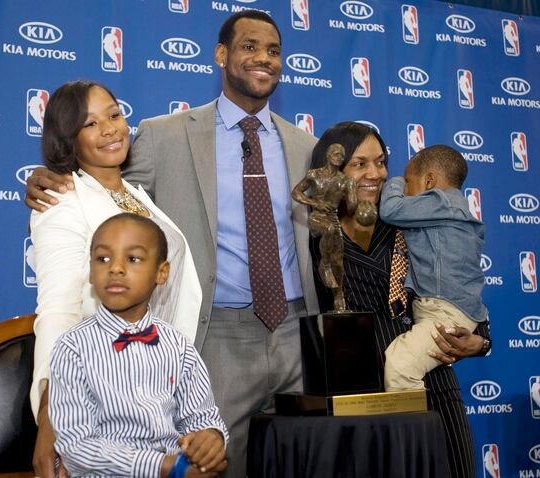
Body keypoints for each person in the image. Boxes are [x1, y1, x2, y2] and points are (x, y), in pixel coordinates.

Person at [25, 11, 318, 477]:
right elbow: (94, 212)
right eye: (249, 46)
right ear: (222, 55)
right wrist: (56, 177)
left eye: (274, 50)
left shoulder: (307, 146)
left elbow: (121, 196)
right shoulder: (162, 136)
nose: (263, 57)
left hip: (300, 333)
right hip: (214, 338)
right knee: (210, 468)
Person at [30, 80, 202, 477]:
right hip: (102, 400)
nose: (110, 129)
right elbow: (59, 312)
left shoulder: (134, 195)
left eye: (114, 114)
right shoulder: (61, 203)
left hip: (158, 394)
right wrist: (51, 415)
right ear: (67, 138)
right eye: (89, 124)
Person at [310, 122, 492, 478]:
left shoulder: (412, 217)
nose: (375, 173)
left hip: (432, 386)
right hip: (356, 397)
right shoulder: (315, 233)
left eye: (380, 162)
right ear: (335, 169)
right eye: (360, 164)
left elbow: (462, 282)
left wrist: (482, 341)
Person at [49, 213, 227, 477]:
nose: (115, 268)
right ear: (89, 271)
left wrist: (210, 438)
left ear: (161, 272)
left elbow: (202, 417)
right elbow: (76, 448)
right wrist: (162, 467)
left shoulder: (179, 347)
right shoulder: (73, 347)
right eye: (103, 259)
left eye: (133, 259)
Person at [379, 145, 487, 392]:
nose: (405, 189)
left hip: (444, 313)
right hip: (441, 310)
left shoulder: (441, 203)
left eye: (408, 182)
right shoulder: (450, 211)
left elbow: (391, 209)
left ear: (429, 181)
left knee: (400, 366)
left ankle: (414, 431)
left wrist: (394, 181)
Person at [292, 143, 357, 311]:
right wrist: (315, 203)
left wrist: (353, 197)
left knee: (339, 262)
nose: (339, 157)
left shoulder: (345, 181)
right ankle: (324, 264)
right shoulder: (314, 175)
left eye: (342, 155)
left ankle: (338, 296)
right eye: (336, 153)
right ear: (328, 155)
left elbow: (350, 210)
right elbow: (296, 192)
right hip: (317, 217)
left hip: (333, 218)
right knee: (328, 230)